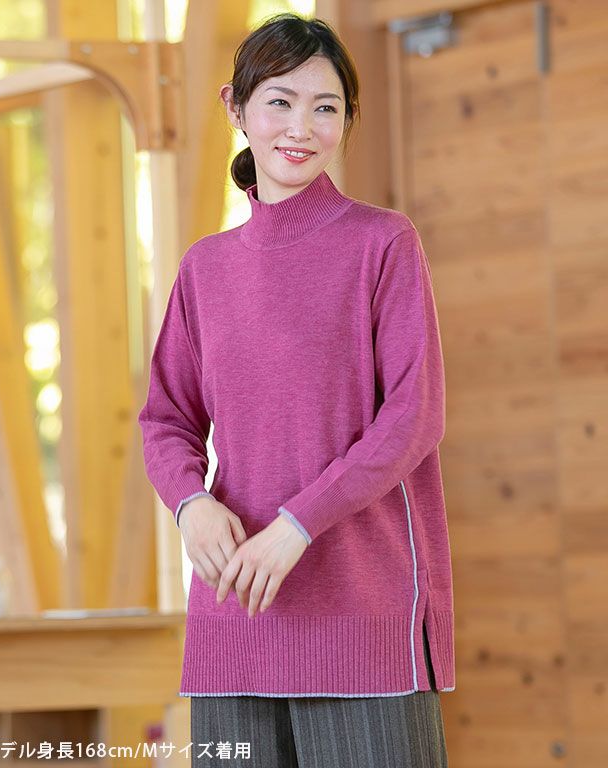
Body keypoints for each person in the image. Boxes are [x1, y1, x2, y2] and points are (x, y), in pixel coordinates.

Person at [138, 11, 455, 767]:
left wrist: (296, 525)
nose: (301, 128)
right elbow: (166, 418)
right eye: (280, 101)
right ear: (236, 107)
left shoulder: (383, 242)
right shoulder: (205, 268)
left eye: (326, 108)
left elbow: (412, 416)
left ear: (347, 120)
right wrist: (189, 503)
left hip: (364, 610)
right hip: (235, 616)